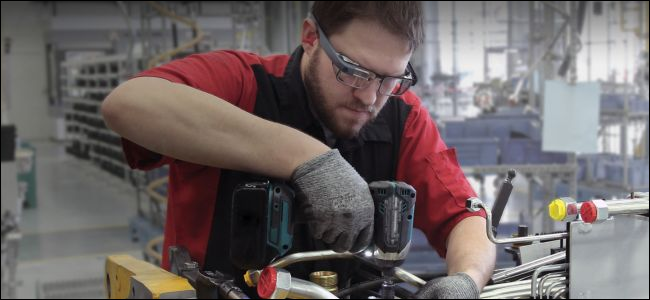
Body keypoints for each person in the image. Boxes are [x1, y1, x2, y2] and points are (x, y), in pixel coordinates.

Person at [102, 2, 495, 298]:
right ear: (310, 37)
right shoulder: (243, 83)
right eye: (353, 71)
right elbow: (128, 104)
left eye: (390, 79)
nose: (370, 97)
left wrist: (466, 280)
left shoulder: (402, 117)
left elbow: (465, 216)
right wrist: (308, 159)